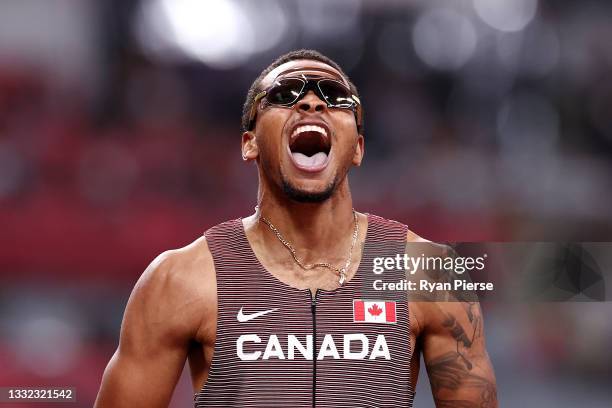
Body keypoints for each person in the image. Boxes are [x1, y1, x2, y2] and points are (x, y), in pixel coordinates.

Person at [94, 49, 498, 407]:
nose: (311, 103)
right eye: (285, 95)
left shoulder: (424, 271)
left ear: (357, 148)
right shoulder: (181, 279)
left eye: (335, 98)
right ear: (249, 143)